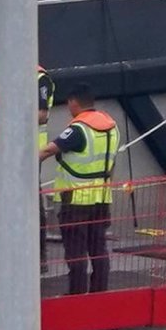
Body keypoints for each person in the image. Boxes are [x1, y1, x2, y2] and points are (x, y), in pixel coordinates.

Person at [40, 83, 119, 295]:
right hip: (102, 199)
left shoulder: (78, 129)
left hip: (75, 201)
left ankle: (76, 296)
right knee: (99, 249)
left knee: (75, 253)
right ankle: (99, 293)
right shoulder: (111, 127)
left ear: (73, 102)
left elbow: (49, 149)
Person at [37, 67, 56, 272]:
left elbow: (42, 115)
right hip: (15, 146)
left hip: (32, 148)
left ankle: (40, 257)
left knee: (33, 204)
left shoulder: (41, 80)